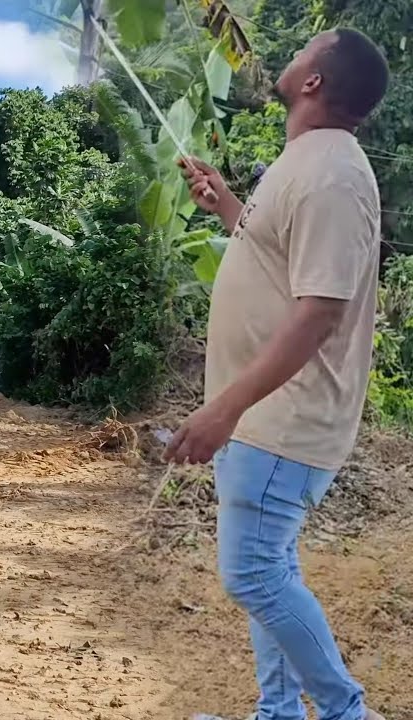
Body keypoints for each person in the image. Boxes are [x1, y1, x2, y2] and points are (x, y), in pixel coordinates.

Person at [164, 28, 390, 720]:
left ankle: (345, 711)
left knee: (254, 574)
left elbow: (319, 312)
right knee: (271, 572)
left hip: (280, 421)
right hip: (265, 419)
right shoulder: (306, 163)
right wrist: (229, 206)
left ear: (315, 80)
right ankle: (279, 712)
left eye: (306, 49)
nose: (287, 59)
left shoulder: (333, 176)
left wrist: (224, 408)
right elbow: (276, 256)